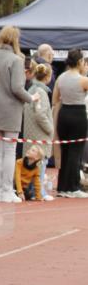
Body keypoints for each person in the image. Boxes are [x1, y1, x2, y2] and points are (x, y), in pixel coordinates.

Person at [0, 26, 38, 203]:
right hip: (11, 110)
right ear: (16, 40)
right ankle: (7, 190)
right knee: (9, 151)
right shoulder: (16, 60)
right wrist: (31, 97)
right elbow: (17, 88)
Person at [53, 49, 88, 198]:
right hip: (78, 114)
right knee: (76, 151)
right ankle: (73, 187)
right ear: (80, 62)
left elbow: (55, 99)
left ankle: (62, 186)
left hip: (64, 114)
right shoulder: (83, 80)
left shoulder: (60, 78)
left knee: (65, 150)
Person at [22, 62, 54, 197]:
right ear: (47, 77)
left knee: (30, 162)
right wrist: (50, 129)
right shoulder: (42, 92)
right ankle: (38, 191)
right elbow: (40, 114)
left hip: (30, 131)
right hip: (40, 134)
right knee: (40, 162)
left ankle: (31, 190)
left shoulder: (31, 89)